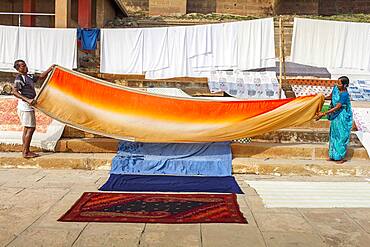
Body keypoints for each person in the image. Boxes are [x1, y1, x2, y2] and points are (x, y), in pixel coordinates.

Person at [11, 60, 55, 158]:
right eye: (22, 66)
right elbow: (14, 92)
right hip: (25, 106)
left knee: (27, 128)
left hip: (28, 106)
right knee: (30, 128)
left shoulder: (29, 76)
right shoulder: (19, 78)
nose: (25, 67)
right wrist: (28, 100)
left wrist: (51, 68)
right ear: (18, 69)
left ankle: (25, 150)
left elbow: (41, 77)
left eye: (25, 65)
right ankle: (26, 152)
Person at [316, 76, 353, 164]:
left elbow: (338, 106)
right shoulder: (336, 89)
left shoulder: (344, 94)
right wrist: (321, 98)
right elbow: (330, 97)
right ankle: (333, 156)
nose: (337, 84)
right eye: (337, 82)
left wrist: (324, 113)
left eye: (339, 83)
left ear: (345, 85)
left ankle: (340, 157)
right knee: (334, 134)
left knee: (341, 136)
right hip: (336, 116)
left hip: (342, 116)